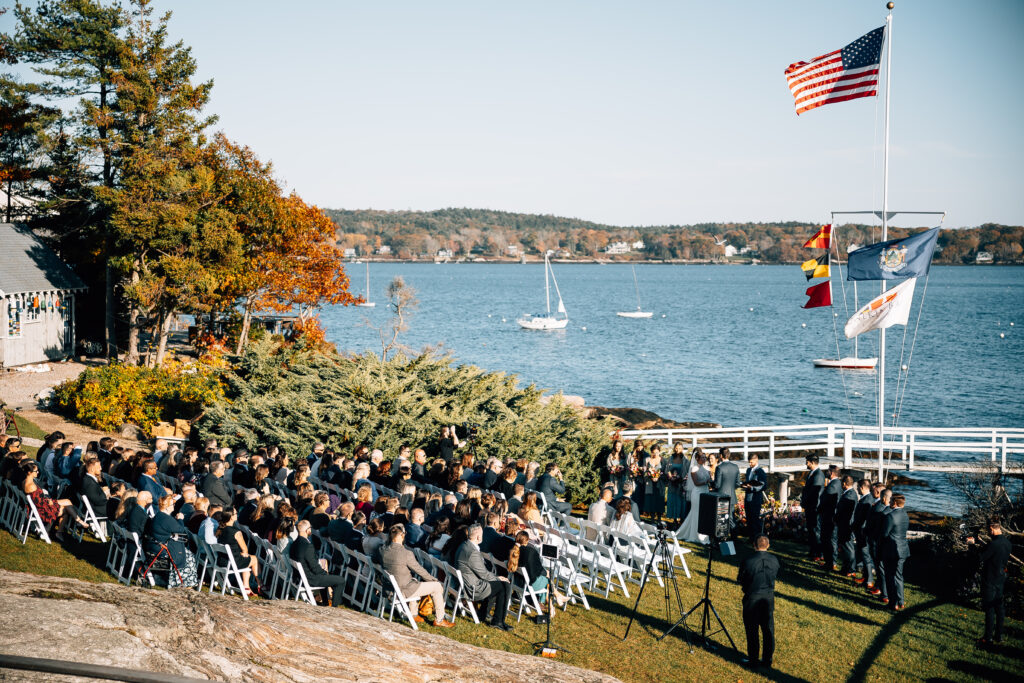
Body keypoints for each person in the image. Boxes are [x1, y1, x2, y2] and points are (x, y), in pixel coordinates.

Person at [380, 524, 455, 627]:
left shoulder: (383, 550)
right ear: (402, 536)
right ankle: (440, 619)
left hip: (389, 588)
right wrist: (433, 579)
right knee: (436, 587)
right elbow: (419, 570)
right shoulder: (406, 553)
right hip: (403, 590)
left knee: (413, 581)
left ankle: (414, 614)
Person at [456, 524, 513, 630]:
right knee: (504, 586)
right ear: (478, 537)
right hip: (474, 587)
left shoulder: (464, 545)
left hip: (467, 582)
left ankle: (484, 613)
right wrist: (498, 578)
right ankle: (498, 621)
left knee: (498, 584)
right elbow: (483, 574)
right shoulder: (472, 552)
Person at [738, 535, 780, 670]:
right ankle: (767, 659)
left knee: (752, 630)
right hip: (768, 598)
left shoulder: (748, 561)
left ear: (754, 546)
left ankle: (753, 660)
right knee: (768, 629)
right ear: (768, 546)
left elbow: (741, 579)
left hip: (752, 598)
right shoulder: (774, 560)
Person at [968, 518, 1011, 646]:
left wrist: (971, 545)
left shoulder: (993, 544)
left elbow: (979, 558)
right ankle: (999, 635)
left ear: (992, 528)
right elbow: (993, 551)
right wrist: (980, 542)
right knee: (999, 607)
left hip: (990, 579)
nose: (988, 532)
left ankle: (988, 637)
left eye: (988, 530)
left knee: (989, 609)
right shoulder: (1007, 543)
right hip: (1001, 577)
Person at [20, 461, 84, 541]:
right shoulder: (31, 486)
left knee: (67, 502)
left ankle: (57, 530)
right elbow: (40, 504)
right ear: (29, 472)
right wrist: (49, 502)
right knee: (66, 509)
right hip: (42, 510)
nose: (38, 472)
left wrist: (47, 500)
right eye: (36, 471)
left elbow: (37, 499)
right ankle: (56, 530)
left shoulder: (25, 482)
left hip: (39, 506)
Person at [143, 494, 198, 587]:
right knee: (189, 555)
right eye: (172, 505)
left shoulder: (159, 516)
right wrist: (180, 519)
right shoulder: (165, 518)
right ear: (167, 507)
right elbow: (180, 529)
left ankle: (186, 581)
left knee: (187, 553)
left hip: (154, 547)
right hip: (162, 550)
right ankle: (186, 582)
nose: (174, 506)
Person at [290, 520, 345, 606]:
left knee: (325, 574)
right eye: (310, 528)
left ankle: (326, 602)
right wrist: (325, 573)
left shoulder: (295, 543)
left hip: (299, 577)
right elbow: (314, 567)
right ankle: (334, 607)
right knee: (341, 580)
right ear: (307, 530)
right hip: (311, 579)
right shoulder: (308, 546)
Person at [217, 507, 261, 596]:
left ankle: (246, 587)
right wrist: (243, 553)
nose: (237, 515)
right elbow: (245, 549)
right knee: (254, 559)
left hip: (222, 561)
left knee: (247, 559)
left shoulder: (220, 530)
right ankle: (260, 584)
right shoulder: (236, 532)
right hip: (233, 562)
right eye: (236, 513)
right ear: (231, 517)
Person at [880, 493, 910, 611]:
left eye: (891, 500)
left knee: (890, 576)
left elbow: (884, 534)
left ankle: (893, 603)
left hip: (891, 550)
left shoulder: (890, 516)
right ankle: (901, 601)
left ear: (895, 503)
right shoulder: (905, 514)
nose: (889, 502)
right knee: (899, 576)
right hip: (903, 549)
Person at [677, 451, 711, 543]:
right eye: (702, 457)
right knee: (696, 513)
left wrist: (710, 481)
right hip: (697, 492)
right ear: (697, 459)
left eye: (705, 457)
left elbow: (710, 479)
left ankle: (704, 534)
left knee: (703, 514)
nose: (704, 459)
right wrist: (706, 482)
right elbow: (696, 483)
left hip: (706, 492)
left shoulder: (707, 468)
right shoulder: (694, 469)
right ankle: (695, 535)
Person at [866, 488, 892, 599]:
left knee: (880, 569)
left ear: (884, 498)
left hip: (879, 543)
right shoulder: (893, 511)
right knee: (883, 569)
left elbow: (875, 528)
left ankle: (883, 592)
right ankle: (880, 587)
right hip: (889, 545)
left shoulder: (881, 512)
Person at [852, 480, 878, 588]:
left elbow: (865, 519)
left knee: (866, 556)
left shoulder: (867, 500)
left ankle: (869, 580)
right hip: (860, 531)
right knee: (863, 555)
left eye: (858, 487)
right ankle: (865, 576)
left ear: (862, 487)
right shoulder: (866, 499)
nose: (857, 489)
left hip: (863, 532)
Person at [801, 455, 826, 560]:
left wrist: (806, 501)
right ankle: (813, 551)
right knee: (811, 529)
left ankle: (819, 553)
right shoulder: (812, 474)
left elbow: (815, 493)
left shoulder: (818, 475)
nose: (806, 464)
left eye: (807, 462)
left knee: (816, 530)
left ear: (812, 462)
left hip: (814, 507)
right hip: (810, 506)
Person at [818, 466, 842, 571]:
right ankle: (830, 561)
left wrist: (820, 509)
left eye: (828, 471)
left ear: (831, 473)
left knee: (829, 540)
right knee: (829, 539)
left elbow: (826, 501)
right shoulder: (836, 484)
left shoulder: (833, 485)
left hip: (829, 517)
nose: (826, 472)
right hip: (830, 516)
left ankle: (831, 562)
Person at [835, 475, 859, 576]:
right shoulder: (850, 493)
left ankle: (851, 569)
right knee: (846, 548)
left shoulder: (849, 495)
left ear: (844, 484)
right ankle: (846, 567)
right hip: (844, 524)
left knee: (849, 548)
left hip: (846, 525)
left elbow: (845, 512)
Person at [712, 447, 740, 530]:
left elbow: (717, 485)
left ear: (721, 455)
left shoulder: (720, 467)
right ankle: (734, 537)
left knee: (721, 518)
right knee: (731, 518)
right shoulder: (735, 467)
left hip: (721, 497)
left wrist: (710, 482)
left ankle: (722, 537)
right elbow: (737, 484)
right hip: (732, 496)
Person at [741, 455, 767, 538]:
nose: (749, 464)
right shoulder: (748, 470)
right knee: (749, 518)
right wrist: (744, 485)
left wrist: (752, 487)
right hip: (748, 497)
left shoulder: (761, 471)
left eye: (751, 462)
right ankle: (751, 537)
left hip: (755, 498)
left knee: (755, 519)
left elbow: (763, 486)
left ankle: (757, 538)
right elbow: (748, 481)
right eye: (749, 462)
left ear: (756, 461)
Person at [643, 445, 667, 523]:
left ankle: (659, 519)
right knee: (652, 501)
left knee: (660, 501)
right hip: (650, 484)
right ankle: (652, 519)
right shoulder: (647, 460)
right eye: (653, 452)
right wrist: (650, 476)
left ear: (659, 452)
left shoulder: (663, 460)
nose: (655, 454)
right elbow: (644, 471)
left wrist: (659, 477)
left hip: (660, 484)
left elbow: (665, 472)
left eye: (657, 452)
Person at [665, 444, 687, 525]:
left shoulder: (684, 459)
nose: (678, 450)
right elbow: (667, 469)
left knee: (680, 500)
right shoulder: (671, 458)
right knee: (673, 500)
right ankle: (674, 520)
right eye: (676, 448)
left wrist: (679, 477)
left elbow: (686, 471)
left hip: (680, 484)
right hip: (672, 483)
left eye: (680, 448)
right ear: (674, 449)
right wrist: (670, 477)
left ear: (682, 449)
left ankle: (681, 518)